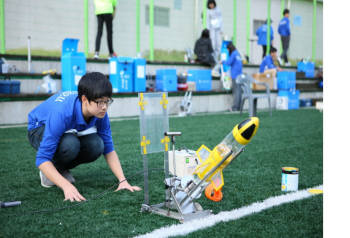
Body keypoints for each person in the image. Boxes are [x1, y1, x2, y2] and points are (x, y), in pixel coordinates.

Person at [27, 72, 141, 202]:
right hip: (38, 128)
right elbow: (42, 158)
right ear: (85, 100)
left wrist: (123, 181)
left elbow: (109, 149)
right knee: (70, 144)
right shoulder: (62, 112)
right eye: (99, 102)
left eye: (107, 101)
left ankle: (58, 169)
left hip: (66, 130)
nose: (104, 107)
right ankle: (50, 172)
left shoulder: (100, 112)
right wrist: (66, 186)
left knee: (97, 145)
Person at [221, 42, 243, 111]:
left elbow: (228, 62)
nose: (228, 51)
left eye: (228, 49)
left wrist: (223, 61)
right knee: (239, 91)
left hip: (235, 75)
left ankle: (235, 107)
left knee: (236, 92)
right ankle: (239, 107)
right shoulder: (237, 53)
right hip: (240, 75)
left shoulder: (233, 54)